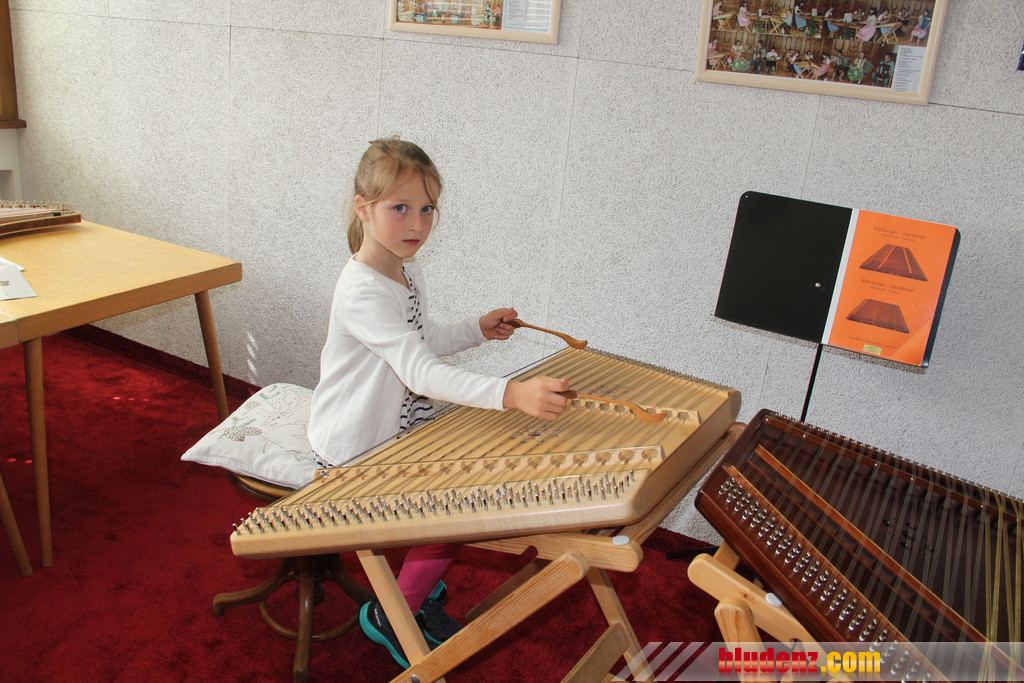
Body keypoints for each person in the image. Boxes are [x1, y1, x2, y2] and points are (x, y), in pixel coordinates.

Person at [309, 137, 569, 668]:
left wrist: (476, 329)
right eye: (400, 208)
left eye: (427, 209)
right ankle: (392, 612)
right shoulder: (362, 290)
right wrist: (510, 393)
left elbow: (419, 341)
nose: (417, 224)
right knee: (455, 509)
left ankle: (415, 589)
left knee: (469, 488)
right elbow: (420, 371)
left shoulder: (405, 269)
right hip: (354, 448)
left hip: (397, 432)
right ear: (363, 208)